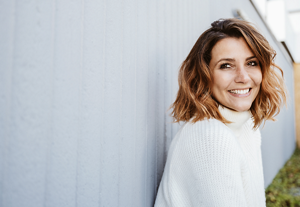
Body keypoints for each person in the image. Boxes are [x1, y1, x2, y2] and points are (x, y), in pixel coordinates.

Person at [154, 18, 287, 207]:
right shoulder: (211, 137)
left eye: (251, 63)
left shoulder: (247, 127)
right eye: (226, 65)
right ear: (204, 76)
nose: (243, 77)